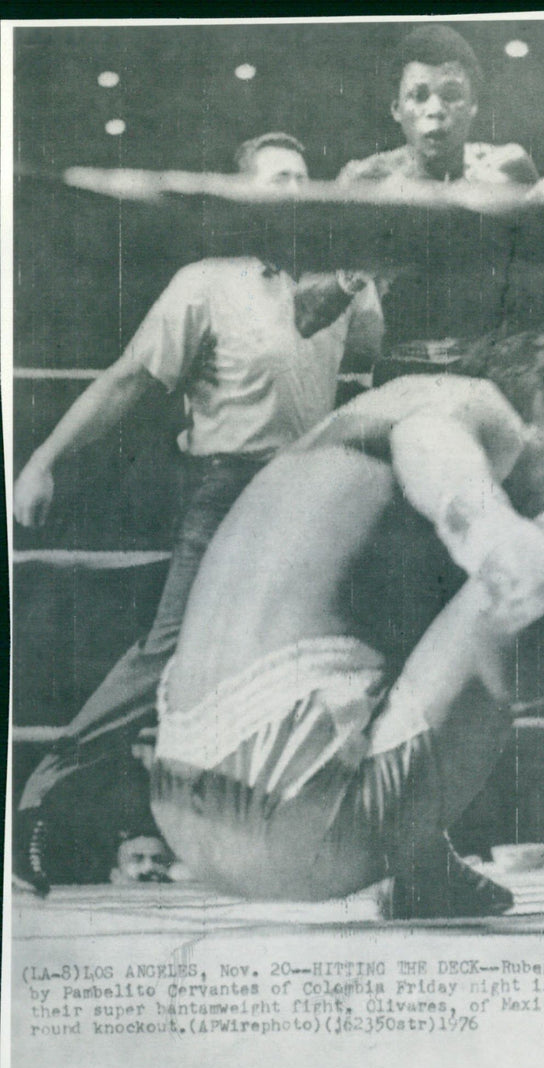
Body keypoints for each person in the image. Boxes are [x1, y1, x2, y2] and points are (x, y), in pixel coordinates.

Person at [150, 329, 544, 917]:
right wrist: (492, 531)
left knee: (434, 605)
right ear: (543, 406)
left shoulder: (335, 445)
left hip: (186, 819)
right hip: (306, 823)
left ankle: (416, 872)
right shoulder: (469, 404)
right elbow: (436, 441)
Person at [13, 132, 385, 893]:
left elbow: (369, 375)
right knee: (173, 652)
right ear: (243, 194)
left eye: (303, 178)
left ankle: (382, 841)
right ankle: (39, 801)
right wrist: (43, 459)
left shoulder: (347, 287)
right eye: (276, 178)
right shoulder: (207, 282)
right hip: (227, 487)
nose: (293, 191)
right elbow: (125, 381)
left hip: (313, 488)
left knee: (354, 642)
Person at [338, 24, 538, 186]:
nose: (435, 111)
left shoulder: (508, 166)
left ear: (473, 105)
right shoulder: (364, 180)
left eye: (451, 95)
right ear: (396, 109)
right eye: (419, 96)